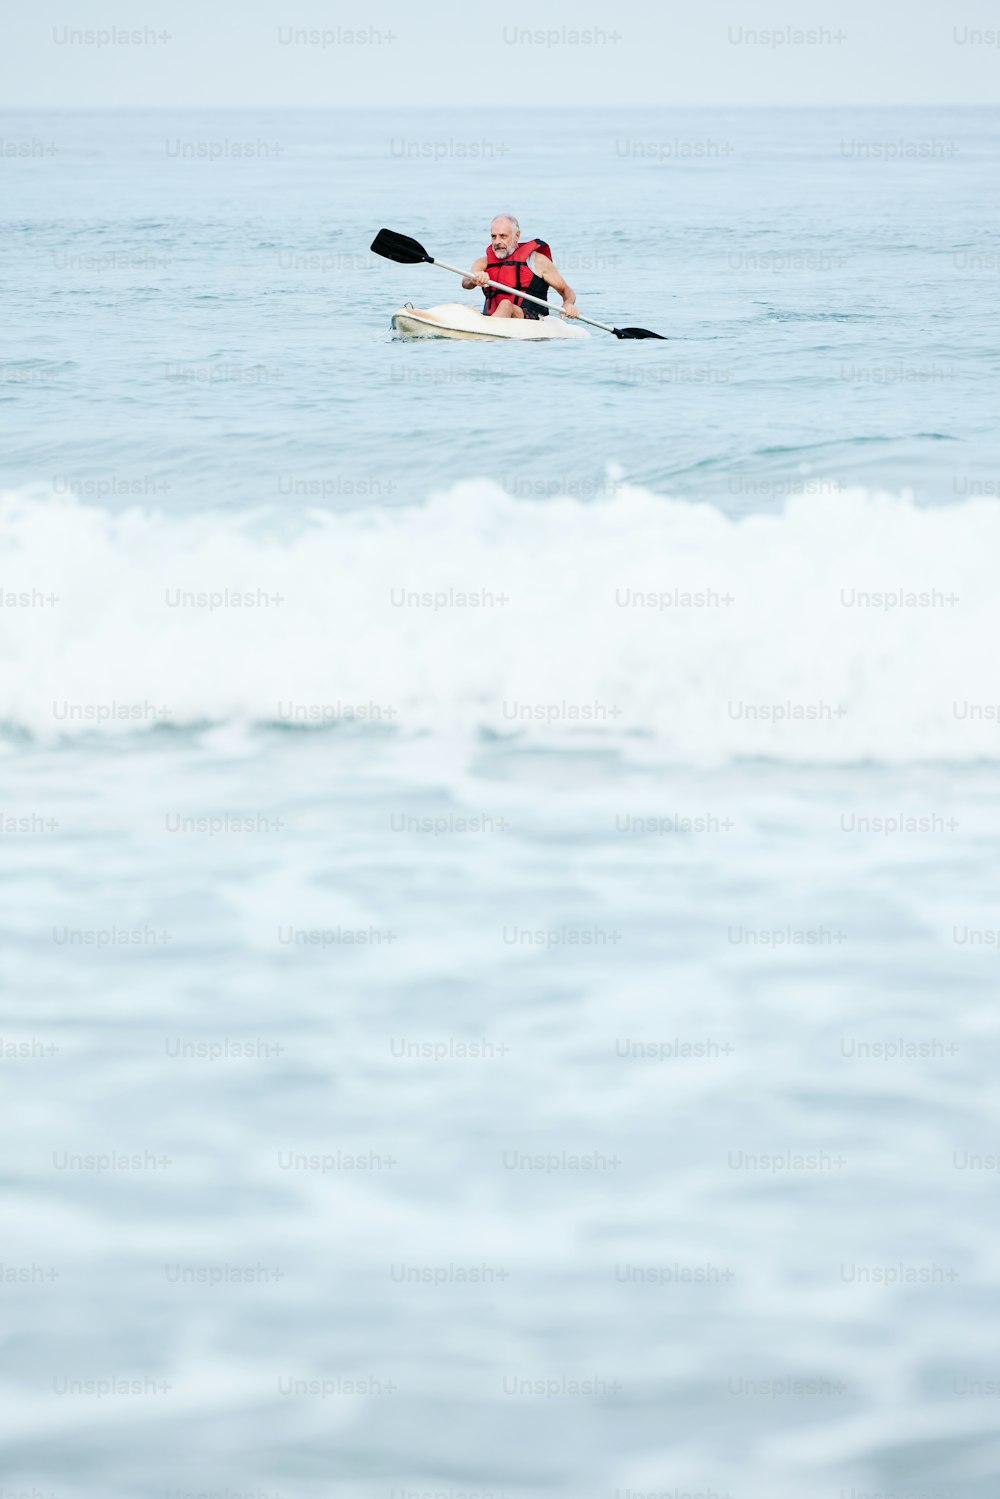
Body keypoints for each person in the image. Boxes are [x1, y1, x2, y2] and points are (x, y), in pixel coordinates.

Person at [462, 215, 579, 320]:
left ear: (517, 235)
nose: (497, 241)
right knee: (461, 307)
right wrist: (474, 279)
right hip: (492, 316)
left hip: (531, 318)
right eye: (494, 237)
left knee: (506, 304)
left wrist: (568, 304)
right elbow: (465, 283)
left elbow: (566, 290)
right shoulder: (483, 262)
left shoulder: (537, 261)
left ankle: (488, 326)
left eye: (503, 236)